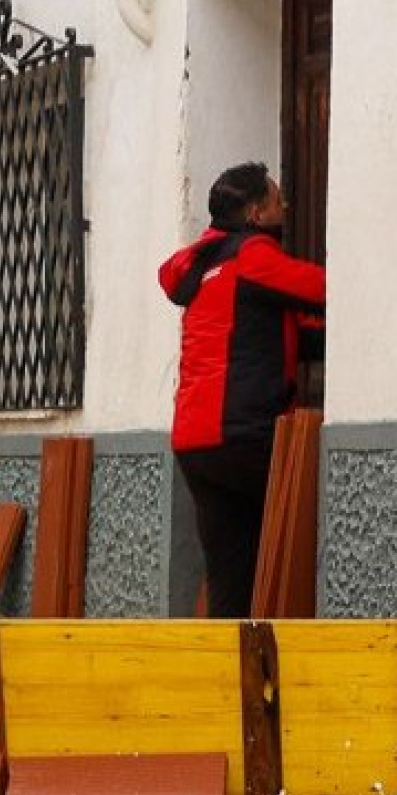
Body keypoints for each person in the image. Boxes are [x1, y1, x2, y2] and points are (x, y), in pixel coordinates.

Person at [157, 162, 327, 616]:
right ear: (255, 213)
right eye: (277, 199)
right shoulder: (252, 257)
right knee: (294, 543)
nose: (286, 205)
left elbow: (277, 330)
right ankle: (284, 658)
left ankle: (228, 677)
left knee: (230, 573)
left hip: (196, 441)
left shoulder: (207, 265)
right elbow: (330, 290)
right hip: (243, 433)